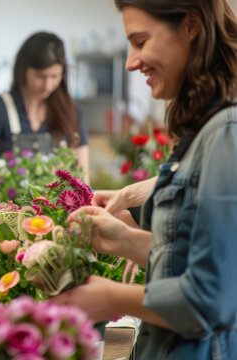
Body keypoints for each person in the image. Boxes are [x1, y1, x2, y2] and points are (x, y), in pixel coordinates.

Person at [56, 0, 237, 359]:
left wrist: (109, 298)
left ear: (190, 25)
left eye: (140, 42)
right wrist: (122, 239)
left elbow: (210, 299)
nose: (130, 62)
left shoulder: (225, 134)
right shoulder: (205, 129)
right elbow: (190, 259)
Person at [0, 31, 89, 182]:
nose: (47, 85)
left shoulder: (72, 112)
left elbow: (82, 175)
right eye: (40, 76)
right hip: (6, 203)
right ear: (23, 70)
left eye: (54, 77)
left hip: (57, 205)